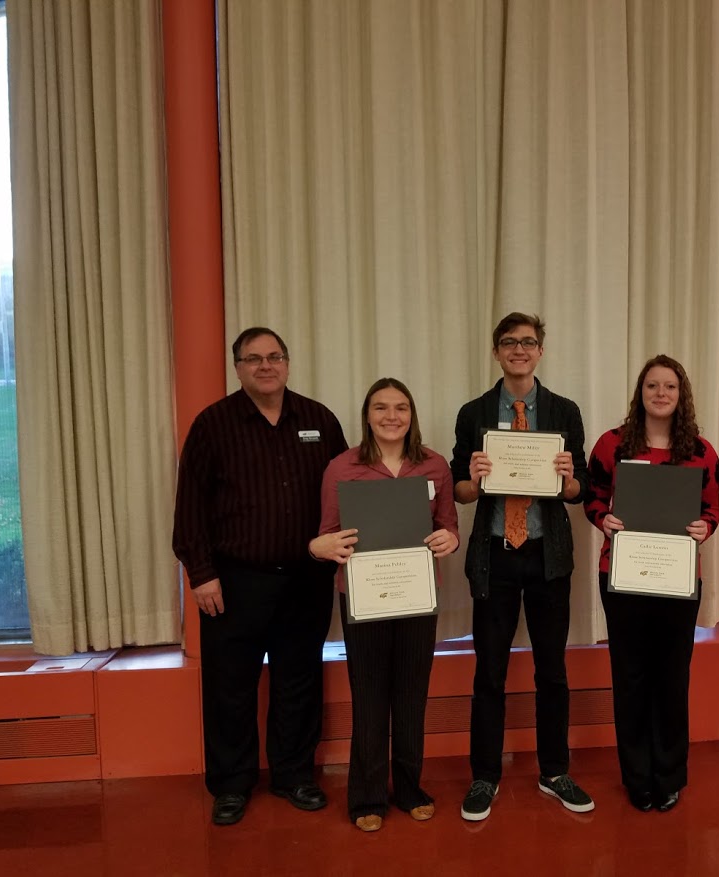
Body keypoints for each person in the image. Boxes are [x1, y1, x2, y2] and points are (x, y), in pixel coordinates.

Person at [173, 327, 348, 826]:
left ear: (288, 363)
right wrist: (201, 574)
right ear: (238, 367)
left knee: (298, 681)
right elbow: (190, 508)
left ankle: (295, 776)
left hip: (305, 580)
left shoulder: (319, 420)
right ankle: (232, 784)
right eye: (253, 358)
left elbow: (345, 492)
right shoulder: (212, 425)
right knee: (231, 685)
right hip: (233, 582)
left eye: (274, 357)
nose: (265, 366)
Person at [451, 312, 594, 821]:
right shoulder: (474, 412)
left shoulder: (563, 410)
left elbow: (581, 491)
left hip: (547, 558)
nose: (519, 349)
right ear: (496, 352)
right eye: (509, 342)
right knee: (489, 672)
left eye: (528, 342)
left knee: (551, 671)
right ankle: (484, 776)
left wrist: (567, 478)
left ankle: (555, 771)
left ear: (540, 350)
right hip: (494, 558)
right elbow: (460, 491)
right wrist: (473, 477)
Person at [309, 378, 459, 833]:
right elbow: (322, 536)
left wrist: (448, 539)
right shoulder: (342, 467)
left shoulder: (434, 466)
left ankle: (410, 789)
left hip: (418, 598)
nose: (391, 416)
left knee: (412, 697)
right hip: (364, 599)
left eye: (400, 408)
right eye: (381, 408)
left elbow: (449, 529)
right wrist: (324, 546)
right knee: (370, 698)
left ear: (411, 415)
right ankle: (367, 796)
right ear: (367, 415)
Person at [584, 355, 719, 814]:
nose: (660, 394)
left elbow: (711, 510)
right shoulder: (611, 445)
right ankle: (637, 778)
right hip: (621, 577)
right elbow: (593, 497)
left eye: (669, 387)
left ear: (681, 396)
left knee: (671, 678)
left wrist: (706, 527)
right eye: (652, 386)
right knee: (631, 678)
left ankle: (669, 776)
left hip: (678, 580)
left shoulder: (702, 452)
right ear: (639, 393)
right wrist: (605, 520)